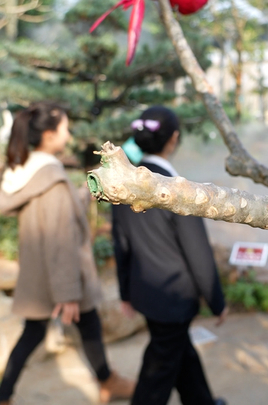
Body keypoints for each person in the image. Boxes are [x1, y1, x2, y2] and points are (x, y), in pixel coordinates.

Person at [0, 101, 135, 405]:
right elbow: (59, 239)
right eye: (65, 127)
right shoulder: (52, 178)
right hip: (61, 274)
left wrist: (91, 190)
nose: (69, 133)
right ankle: (106, 382)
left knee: (56, 329)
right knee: (55, 329)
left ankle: (106, 381)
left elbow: (57, 214)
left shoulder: (30, 170)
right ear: (48, 133)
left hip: (40, 271)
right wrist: (67, 293)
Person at [111, 106, 228, 405]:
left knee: (180, 353)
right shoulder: (178, 189)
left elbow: (120, 242)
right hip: (173, 299)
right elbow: (197, 252)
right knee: (157, 372)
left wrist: (126, 291)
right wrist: (216, 301)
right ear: (173, 138)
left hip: (146, 293)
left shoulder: (123, 184)